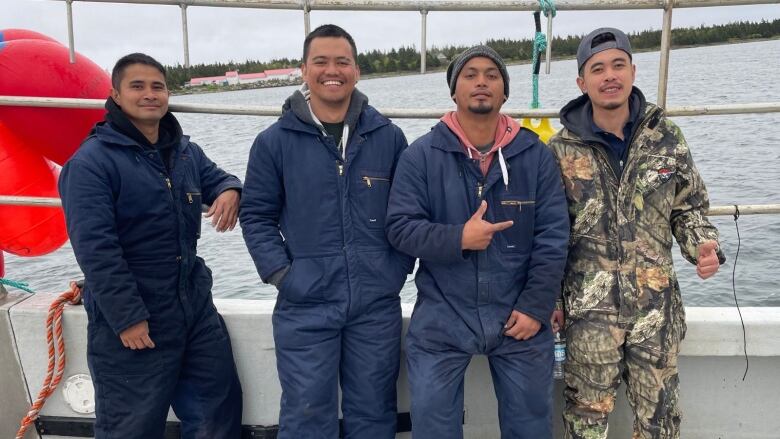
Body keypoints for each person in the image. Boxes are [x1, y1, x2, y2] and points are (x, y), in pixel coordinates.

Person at [546, 28, 725, 439]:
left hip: (655, 310)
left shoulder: (666, 138)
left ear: (632, 71)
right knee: (586, 421)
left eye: (617, 65)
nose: (609, 75)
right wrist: (552, 299)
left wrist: (701, 245)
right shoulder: (559, 150)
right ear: (582, 82)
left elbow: (689, 207)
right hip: (588, 317)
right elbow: (550, 234)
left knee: (660, 421)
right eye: (597, 69)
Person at [385, 45, 570, 438]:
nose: (481, 81)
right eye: (469, 74)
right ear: (454, 91)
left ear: (505, 91)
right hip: (442, 314)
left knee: (531, 427)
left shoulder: (535, 155)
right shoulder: (421, 155)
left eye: (492, 74)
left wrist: (536, 306)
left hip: (520, 312)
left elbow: (553, 235)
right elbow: (399, 227)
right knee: (433, 425)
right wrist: (459, 238)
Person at [239, 24, 412, 438]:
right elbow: (256, 216)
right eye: (321, 61)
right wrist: (285, 276)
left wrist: (395, 271)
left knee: (373, 414)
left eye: (342, 61)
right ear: (304, 69)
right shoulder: (273, 142)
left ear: (356, 70)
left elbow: (408, 214)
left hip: (375, 303)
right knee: (306, 416)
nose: (331, 70)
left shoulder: (388, 137)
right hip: (305, 304)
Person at [59, 53, 243, 438]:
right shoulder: (91, 164)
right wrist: (127, 316)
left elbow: (218, 178)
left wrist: (229, 190)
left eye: (157, 86)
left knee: (216, 418)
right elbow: (95, 248)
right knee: (132, 427)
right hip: (135, 316)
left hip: (194, 308)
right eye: (137, 86)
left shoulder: (184, 152)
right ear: (116, 94)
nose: (149, 95)